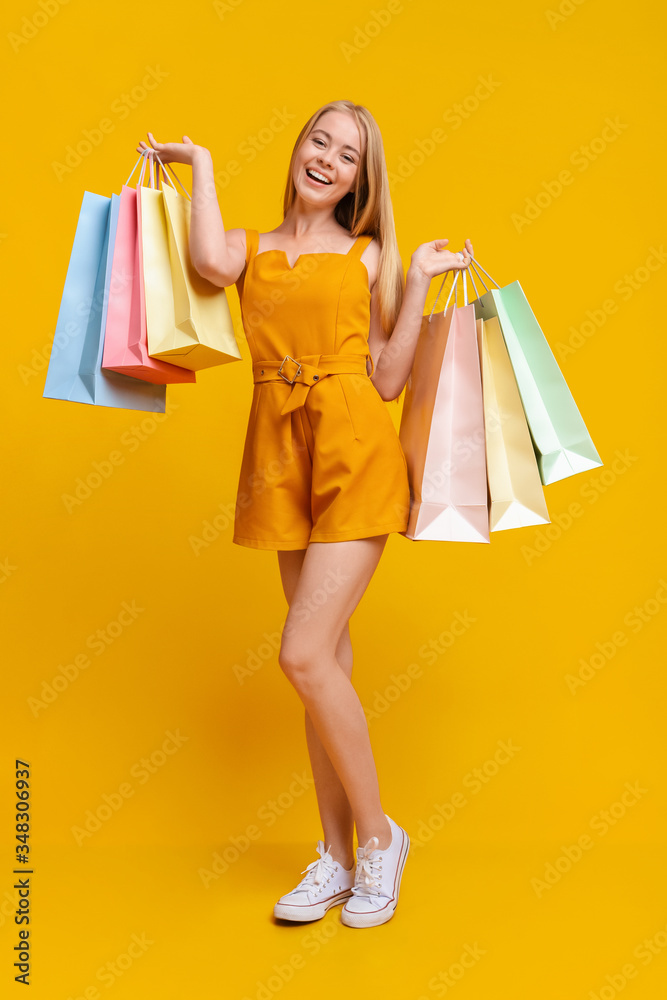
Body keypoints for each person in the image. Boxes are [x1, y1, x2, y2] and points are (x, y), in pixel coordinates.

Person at [137, 100, 473, 929]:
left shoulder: (365, 256)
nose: (328, 158)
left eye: (348, 155)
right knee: (327, 670)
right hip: (280, 461)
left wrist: (421, 279)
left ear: (362, 180)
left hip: (355, 454)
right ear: (297, 150)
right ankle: (333, 857)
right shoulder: (253, 249)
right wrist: (198, 161)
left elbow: (390, 382)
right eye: (319, 141)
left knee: (301, 654)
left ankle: (379, 839)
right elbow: (208, 259)